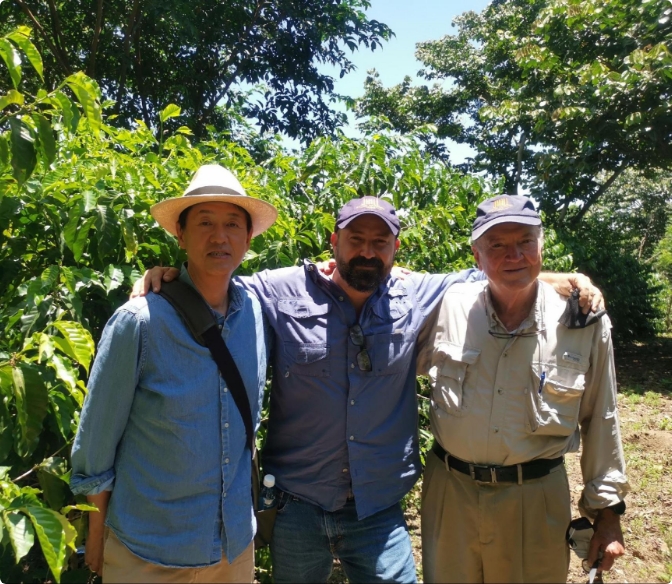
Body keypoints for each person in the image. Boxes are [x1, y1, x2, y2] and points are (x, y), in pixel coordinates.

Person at [137, 195, 604, 583]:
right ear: (333, 242)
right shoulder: (279, 291)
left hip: (377, 509)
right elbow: (219, 286)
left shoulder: (419, 294)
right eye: (355, 240)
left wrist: (565, 280)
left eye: (379, 243)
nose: (367, 252)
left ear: (395, 248)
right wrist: (167, 279)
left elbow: (497, 273)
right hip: (298, 501)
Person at [70, 164, 277, 583]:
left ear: (249, 237)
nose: (219, 237)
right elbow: (96, 443)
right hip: (150, 551)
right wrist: (96, 536)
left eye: (233, 224)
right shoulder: (140, 322)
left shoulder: (255, 312)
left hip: (233, 547)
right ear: (180, 234)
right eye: (204, 223)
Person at [416, 194, 629, 583]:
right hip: (450, 491)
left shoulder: (583, 322)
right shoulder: (449, 304)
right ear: (476, 256)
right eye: (497, 245)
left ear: (541, 246)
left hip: (534, 498)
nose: (514, 255)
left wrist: (608, 516)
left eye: (524, 242)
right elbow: (384, 288)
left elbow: (603, 418)